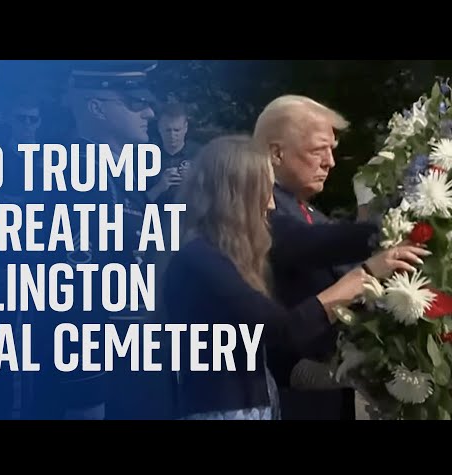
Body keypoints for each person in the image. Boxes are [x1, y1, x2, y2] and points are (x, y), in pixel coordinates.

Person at [161, 135, 429, 420]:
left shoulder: (211, 256)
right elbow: (282, 331)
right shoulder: (200, 261)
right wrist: (361, 277)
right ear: (237, 197)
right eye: (264, 192)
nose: (272, 206)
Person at [29, 60, 169, 420]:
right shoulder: (76, 176)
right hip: (93, 379)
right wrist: (84, 385)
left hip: (125, 363)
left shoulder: (118, 173)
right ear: (96, 108)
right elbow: (69, 292)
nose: (150, 113)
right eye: (135, 104)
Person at [252, 94, 372, 420]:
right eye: (320, 149)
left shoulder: (311, 213)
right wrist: (390, 229)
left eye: (332, 149)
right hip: (292, 387)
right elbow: (305, 244)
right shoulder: (260, 207)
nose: (330, 161)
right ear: (277, 153)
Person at [147, 102, 201, 206]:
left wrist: (192, 180)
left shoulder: (200, 154)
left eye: (177, 130)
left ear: (185, 128)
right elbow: (136, 204)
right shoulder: (146, 157)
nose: (172, 135)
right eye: (168, 130)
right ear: (159, 128)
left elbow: (212, 199)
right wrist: (160, 187)